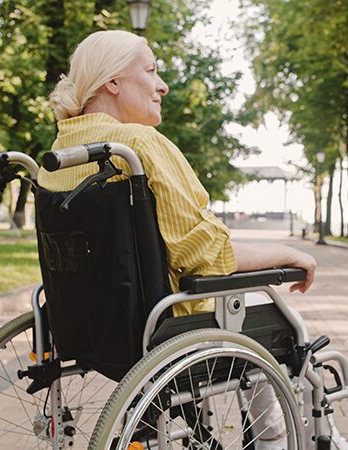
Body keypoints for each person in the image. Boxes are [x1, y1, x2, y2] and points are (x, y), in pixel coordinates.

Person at [38, 30, 316, 449]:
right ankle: (275, 439)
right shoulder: (138, 144)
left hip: (84, 326)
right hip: (161, 331)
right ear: (113, 82)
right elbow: (206, 254)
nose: (162, 85)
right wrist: (288, 253)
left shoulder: (60, 152)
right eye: (151, 71)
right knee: (286, 326)